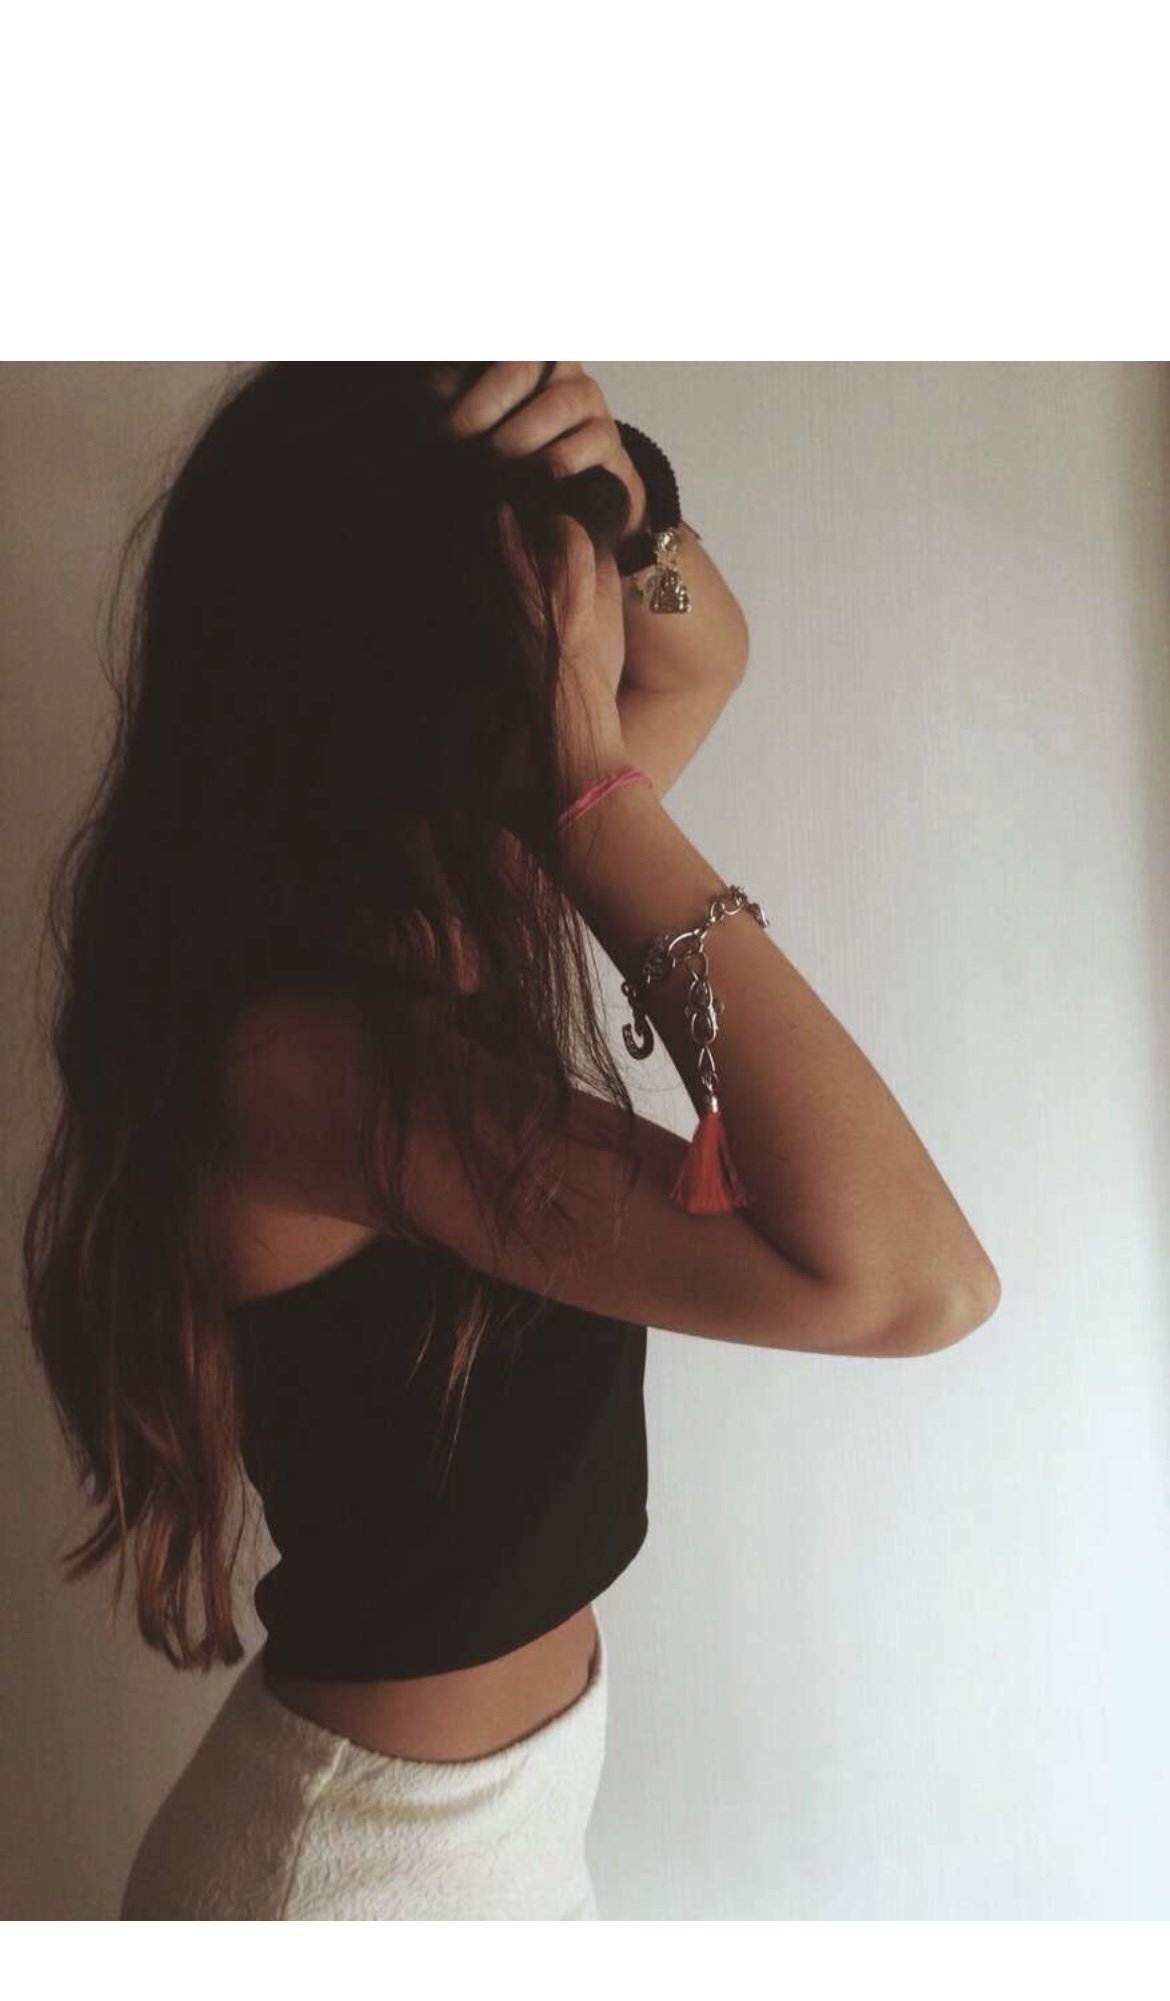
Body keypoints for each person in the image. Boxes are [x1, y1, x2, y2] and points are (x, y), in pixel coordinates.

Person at [22, 361, 1000, 1920]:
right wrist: (591, 793)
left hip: (475, 1830)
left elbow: (702, 657)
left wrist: (636, 506)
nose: (596, 633)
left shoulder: (400, 922)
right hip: (363, 1877)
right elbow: (907, 1280)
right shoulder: (312, 1065)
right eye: (551, 603)